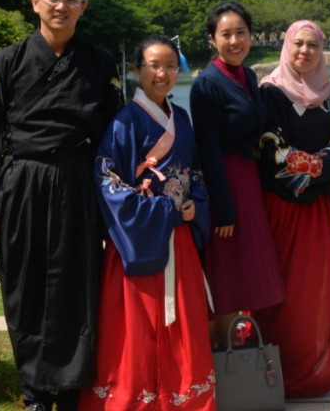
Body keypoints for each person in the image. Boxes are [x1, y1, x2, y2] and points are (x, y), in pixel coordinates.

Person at [0, 0, 123, 411]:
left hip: (78, 184)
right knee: (24, 285)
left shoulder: (100, 65)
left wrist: (118, 204)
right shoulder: (5, 63)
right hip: (23, 183)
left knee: (78, 284)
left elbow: (117, 139)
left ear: (83, 7)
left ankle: (70, 392)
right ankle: (34, 392)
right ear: (35, 3)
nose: (61, 7)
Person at [82, 36, 214, 410]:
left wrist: (195, 205)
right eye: (154, 65)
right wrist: (160, 210)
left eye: (170, 66)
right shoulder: (124, 121)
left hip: (178, 240)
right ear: (137, 70)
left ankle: (183, 398)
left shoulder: (181, 119)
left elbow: (195, 171)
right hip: (138, 241)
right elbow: (107, 180)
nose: (162, 73)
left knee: (183, 324)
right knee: (134, 327)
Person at [255, 20, 330, 397]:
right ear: (287, 46)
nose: (305, 51)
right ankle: (276, 376)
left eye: (312, 45)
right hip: (281, 208)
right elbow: (272, 152)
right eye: (298, 44)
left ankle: (313, 374)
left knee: (315, 292)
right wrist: (324, 166)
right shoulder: (269, 93)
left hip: (319, 212)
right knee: (282, 294)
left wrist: (326, 163)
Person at [190, 1, 284, 346]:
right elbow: (208, 148)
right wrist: (224, 208)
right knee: (226, 274)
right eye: (225, 34)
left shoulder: (248, 75)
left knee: (246, 270)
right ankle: (221, 355)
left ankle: (241, 349)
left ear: (250, 35)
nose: (234, 41)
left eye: (240, 33)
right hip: (225, 183)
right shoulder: (207, 84)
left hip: (248, 179)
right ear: (212, 39)